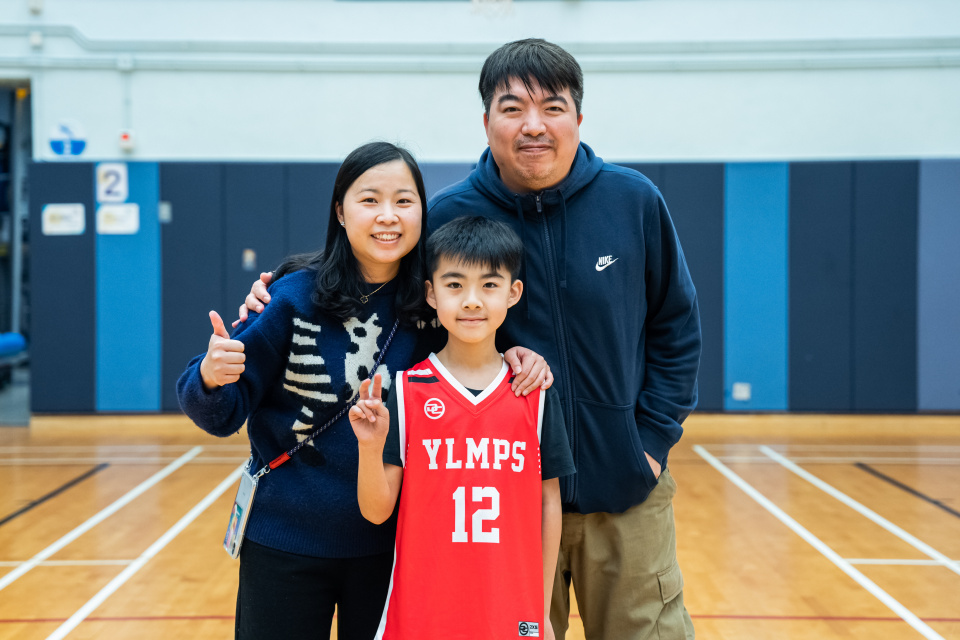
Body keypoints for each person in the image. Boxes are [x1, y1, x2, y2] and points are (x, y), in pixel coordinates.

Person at [241, 39, 701, 640]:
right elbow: (380, 282)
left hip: (626, 493)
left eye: (553, 107)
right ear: (486, 122)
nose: (533, 125)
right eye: (513, 108)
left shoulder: (633, 200)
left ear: (579, 117)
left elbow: (676, 326)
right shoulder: (449, 215)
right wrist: (282, 284)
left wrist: (649, 444)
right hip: (497, 507)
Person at [177, 141, 552, 640]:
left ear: (422, 212)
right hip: (285, 540)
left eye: (404, 200)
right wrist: (209, 375)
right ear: (340, 210)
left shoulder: (435, 305)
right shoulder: (291, 296)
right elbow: (219, 414)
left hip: (390, 549)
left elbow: (478, 355)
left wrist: (517, 355)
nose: (387, 216)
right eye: (370, 199)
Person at [349, 216, 575, 640]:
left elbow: (549, 504)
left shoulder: (536, 393)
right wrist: (369, 447)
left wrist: (541, 609)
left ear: (513, 293)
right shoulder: (407, 391)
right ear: (431, 293)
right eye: (455, 285)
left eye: (489, 285)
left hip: (510, 611)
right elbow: (376, 511)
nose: (472, 301)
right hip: (423, 615)